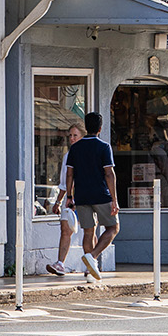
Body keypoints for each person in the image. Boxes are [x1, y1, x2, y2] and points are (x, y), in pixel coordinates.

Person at [65, 111, 119, 282]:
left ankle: (90, 271)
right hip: (101, 195)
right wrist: (114, 199)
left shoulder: (75, 148)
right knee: (113, 228)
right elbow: (109, 174)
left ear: (86, 128)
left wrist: (69, 196)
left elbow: (69, 174)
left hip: (81, 196)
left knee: (89, 232)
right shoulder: (104, 147)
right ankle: (93, 257)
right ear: (100, 129)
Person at [46, 123, 84, 275]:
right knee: (65, 229)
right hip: (69, 198)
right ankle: (60, 263)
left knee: (89, 230)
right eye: (70, 135)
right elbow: (64, 181)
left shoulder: (87, 154)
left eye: (75, 135)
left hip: (84, 197)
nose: (72, 138)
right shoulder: (68, 156)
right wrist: (59, 201)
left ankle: (92, 261)